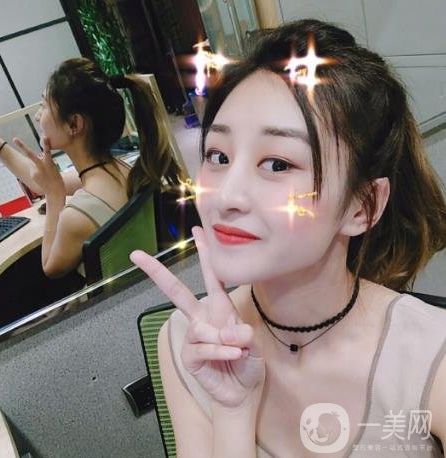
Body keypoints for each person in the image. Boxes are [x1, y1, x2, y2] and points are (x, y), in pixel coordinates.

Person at [131, 20, 446, 457]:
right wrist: (233, 409)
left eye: (278, 164)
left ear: (362, 206)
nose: (227, 196)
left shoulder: (433, 355)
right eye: (218, 156)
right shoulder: (189, 338)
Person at [0, 58, 184, 279]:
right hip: (142, 286)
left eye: (43, 106)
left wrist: (54, 196)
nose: (37, 116)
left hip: (113, 300)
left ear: (74, 124)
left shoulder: (75, 218)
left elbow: (50, 267)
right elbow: (39, 183)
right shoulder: (119, 169)